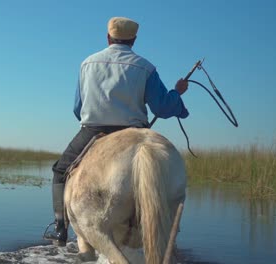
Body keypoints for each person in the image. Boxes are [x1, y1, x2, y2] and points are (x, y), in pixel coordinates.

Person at [43, 17, 189, 246]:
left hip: (94, 130)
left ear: (108, 37)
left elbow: (77, 108)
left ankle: (61, 228)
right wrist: (177, 95)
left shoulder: (87, 64)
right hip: (135, 131)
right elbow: (162, 107)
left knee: (60, 170)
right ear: (134, 40)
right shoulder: (146, 67)